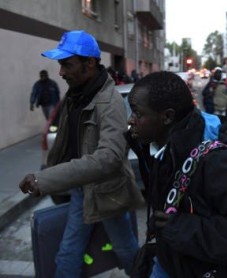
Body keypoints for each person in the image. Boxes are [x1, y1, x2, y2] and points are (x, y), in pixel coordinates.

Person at [126, 71, 227, 277]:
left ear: (167, 116)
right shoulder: (161, 148)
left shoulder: (215, 161)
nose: (130, 120)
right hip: (174, 262)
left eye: (137, 113)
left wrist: (181, 228)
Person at [18, 30, 144, 277]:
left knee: (125, 248)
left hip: (108, 193)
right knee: (68, 251)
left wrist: (45, 179)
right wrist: (51, 173)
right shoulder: (75, 96)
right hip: (81, 189)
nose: (61, 72)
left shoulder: (110, 102)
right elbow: (66, 143)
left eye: (67, 64)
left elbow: (109, 158)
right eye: (60, 64)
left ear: (90, 63)